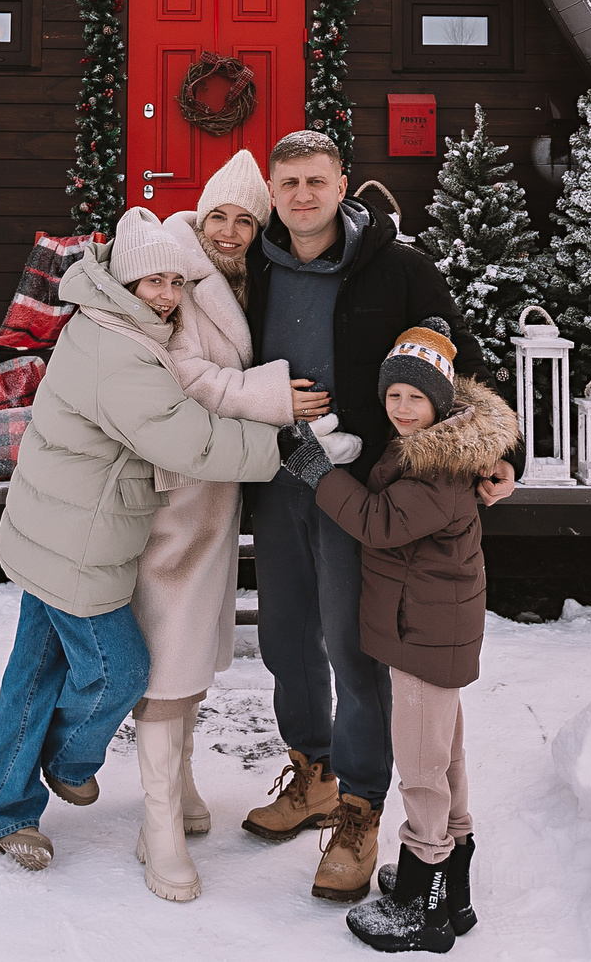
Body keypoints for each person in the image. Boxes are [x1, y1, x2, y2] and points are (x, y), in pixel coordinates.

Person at [0, 208, 294, 877]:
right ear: (124, 281)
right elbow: (188, 439)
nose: (168, 295)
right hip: (76, 541)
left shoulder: (116, 324)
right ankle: (68, 764)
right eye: (154, 281)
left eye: (176, 281)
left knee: (34, 672)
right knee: (120, 669)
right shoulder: (118, 350)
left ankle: (4, 812)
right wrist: (281, 445)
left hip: (57, 526)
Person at [242, 130, 519, 903]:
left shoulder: (399, 267)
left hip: (365, 493)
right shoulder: (253, 267)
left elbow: (460, 366)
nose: (303, 195)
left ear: (343, 185)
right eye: (289, 182)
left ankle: (360, 807)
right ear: (272, 191)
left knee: (354, 647)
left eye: (316, 180)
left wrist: (497, 453)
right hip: (276, 480)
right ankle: (314, 773)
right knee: (285, 637)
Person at [132, 153, 343, 899]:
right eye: (217, 215)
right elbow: (184, 375)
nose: (228, 230)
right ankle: (157, 825)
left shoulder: (244, 279)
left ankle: (181, 787)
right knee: (169, 650)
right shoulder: (177, 275)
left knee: (192, 647)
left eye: (243, 220)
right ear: (199, 216)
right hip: (176, 491)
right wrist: (274, 396)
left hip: (217, 492)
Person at [274, 322, 518, 953]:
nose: (403, 409)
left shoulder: (436, 471)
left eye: (416, 397)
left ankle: (423, 903)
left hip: (424, 637)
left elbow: (377, 522)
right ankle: (451, 887)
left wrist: (317, 472)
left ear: (441, 402)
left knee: (421, 772)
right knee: (444, 759)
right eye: (394, 396)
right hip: (433, 631)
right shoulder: (444, 449)